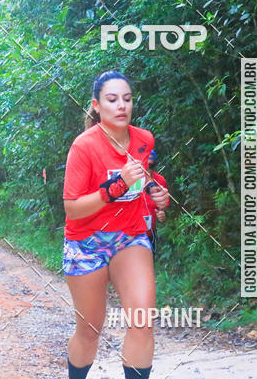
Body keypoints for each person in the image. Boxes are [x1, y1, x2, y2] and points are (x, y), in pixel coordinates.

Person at [62, 71, 169, 379]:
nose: (121, 106)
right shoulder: (84, 147)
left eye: (127, 99)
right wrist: (115, 187)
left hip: (129, 236)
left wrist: (157, 195)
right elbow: (71, 208)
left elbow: (143, 181)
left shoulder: (144, 139)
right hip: (86, 241)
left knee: (142, 322)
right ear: (97, 106)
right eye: (112, 100)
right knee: (90, 330)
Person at [143, 151, 169, 251]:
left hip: (150, 232)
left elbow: (163, 206)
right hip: (129, 234)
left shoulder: (160, 180)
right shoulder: (132, 180)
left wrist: (162, 213)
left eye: (151, 167)